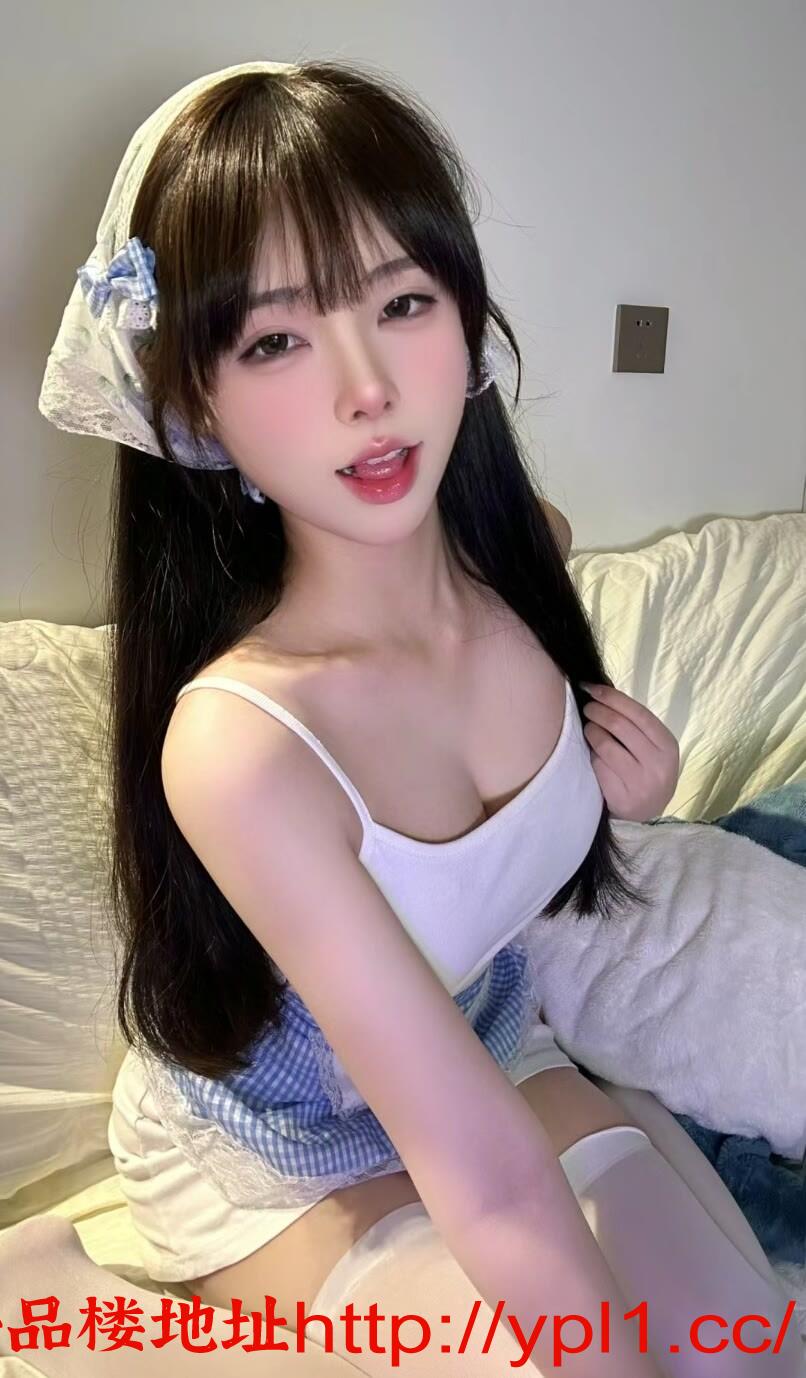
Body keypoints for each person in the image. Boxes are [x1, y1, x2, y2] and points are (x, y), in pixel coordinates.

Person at [3, 57, 802, 1377]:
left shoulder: (521, 550)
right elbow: (486, 1177)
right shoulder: (243, 745)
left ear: (466, 320)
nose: (366, 387)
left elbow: (524, 820)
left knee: (739, 1350)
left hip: (489, 1042)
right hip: (281, 1147)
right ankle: (68, 1301)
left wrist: (623, 796)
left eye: (402, 301)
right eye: (276, 340)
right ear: (194, 404)